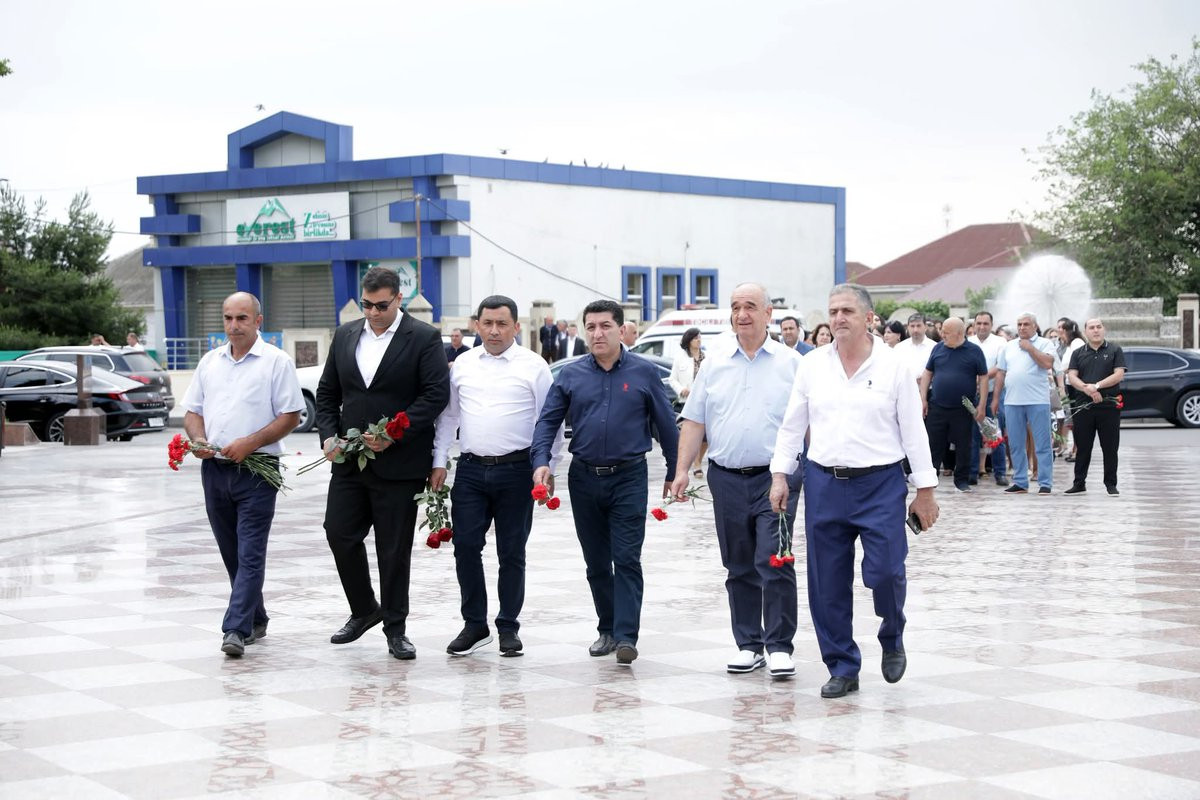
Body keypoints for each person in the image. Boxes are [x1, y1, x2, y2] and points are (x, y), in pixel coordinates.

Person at [768, 283, 938, 699]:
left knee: (886, 570)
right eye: (833, 311)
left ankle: (892, 634)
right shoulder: (813, 365)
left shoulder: (893, 365)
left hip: (880, 484)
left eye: (847, 310)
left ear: (869, 318)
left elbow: (913, 429)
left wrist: (926, 489)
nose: (838, 318)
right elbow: (793, 424)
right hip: (824, 483)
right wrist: (779, 474)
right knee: (827, 581)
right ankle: (842, 666)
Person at [531, 299, 679, 666]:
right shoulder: (570, 375)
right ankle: (607, 629)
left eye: (605, 326)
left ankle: (627, 636)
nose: (598, 333)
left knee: (626, 557)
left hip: (629, 477)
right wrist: (541, 462)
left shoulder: (645, 373)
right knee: (596, 562)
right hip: (584, 478)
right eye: (591, 327)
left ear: (621, 329)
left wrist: (675, 470)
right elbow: (547, 422)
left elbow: (665, 425)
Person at [316, 266, 450, 660]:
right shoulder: (345, 335)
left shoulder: (423, 337)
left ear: (398, 299)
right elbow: (327, 394)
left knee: (393, 550)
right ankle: (364, 609)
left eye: (381, 305)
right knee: (338, 533)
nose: (373, 313)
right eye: (367, 305)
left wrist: (394, 433)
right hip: (349, 461)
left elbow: (434, 395)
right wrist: (328, 436)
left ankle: (396, 628)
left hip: (400, 464)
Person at [671, 284, 803, 679]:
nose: (742, 314)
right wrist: (681, 470)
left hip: (776, 478)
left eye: (750, 306)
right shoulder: (714, 364)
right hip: (726, 478)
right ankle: (749, 644)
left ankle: (779, 646)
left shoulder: (792, 364)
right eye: (735, 307)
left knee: (774, 558)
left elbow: (809, 421)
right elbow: (694, 420)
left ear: (768, 314)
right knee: (739, 563)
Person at [431, 296, 564, 657]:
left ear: (516, 327)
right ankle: (475, 624)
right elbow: (449, 417)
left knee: (512, 551)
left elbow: (550, 421)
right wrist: (439, 459)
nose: (494, 331)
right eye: (487, 323)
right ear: (477, 325)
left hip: (518, 471)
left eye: (502, 324)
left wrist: (548, 466)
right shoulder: (463, 364)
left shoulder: (534, 366)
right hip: (471, 470)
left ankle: (508, 626)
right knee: (465, 546)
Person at [182, 292, 304, 657]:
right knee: (232, 552)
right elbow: (192, 411)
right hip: (215, 470)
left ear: (258, 321)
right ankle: (257, 616)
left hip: (257, 471)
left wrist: (250, 443)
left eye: (242, 318)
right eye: (228, 318)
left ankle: (235, 628)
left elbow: (291, 416)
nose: (234, 326)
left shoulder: (276, 362)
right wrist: (198, 440)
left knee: (250, 551)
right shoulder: (210, 362)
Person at [918, 318, 987, 493]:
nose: (942, 335)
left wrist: (982, 405)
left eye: (946, 332)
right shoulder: (938, 348)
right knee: (933, 444)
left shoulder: (974, 351)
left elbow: (984, 377)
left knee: (964, 445)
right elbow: (927, 373)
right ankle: (930, 479)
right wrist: (923, 398)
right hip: (937, 405)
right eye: (942, 331)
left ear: (959, 333)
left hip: (963, 407)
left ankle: (962, 480)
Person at [992, 312, 1058, 495]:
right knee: (1015, 443)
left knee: (1042, 443)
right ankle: (1020, 481)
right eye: (1019, 324)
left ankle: (1045, 482)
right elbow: (1001, 372)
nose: (1022, 327)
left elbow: (1047, 364)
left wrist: (1030, 348)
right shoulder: (1009, 346)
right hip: (1012, 401)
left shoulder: (1045, 343)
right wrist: (996, 399)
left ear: (1035, 326)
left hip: (1038, 400)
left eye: (1026, 324)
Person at [1065, 318, 1125, 496]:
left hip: (1108, 406)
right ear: (1086, 331)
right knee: (1083, 446)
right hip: (1084, 406)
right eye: (1091, 327)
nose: (1096, 330)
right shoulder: (1078, 353)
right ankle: (1079, 482)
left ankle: (1111, 484)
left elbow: (1119, 375)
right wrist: (1087, 389)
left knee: (1110, 447)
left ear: (1104, 329)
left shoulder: (1115, 350)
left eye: (1099, 327)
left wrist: (1097, 386)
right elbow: (1072, 376)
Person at [967, 311, 1010, 486]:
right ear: (974, 324)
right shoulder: (967, 342)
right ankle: (971, 473)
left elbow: (1000, 367)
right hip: (971, 395)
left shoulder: (1000, 342)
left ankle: (1000, 473)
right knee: (971, 435)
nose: (982, 327)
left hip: (993, 394)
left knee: (994, 434)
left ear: (991, 325)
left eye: (985, 323)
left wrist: (980, 378)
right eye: (979, 323)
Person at [669, 327, 707, 477]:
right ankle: (696, 465)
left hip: (704, 401)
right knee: (692, 434)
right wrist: (681, 389)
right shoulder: (680, 358)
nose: (699, 340)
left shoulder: (707, 357)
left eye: (700, 337)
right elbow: (672, 379)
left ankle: (698, 461)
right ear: (689, 340)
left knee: (706, 436)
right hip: (687, 402)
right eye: (696, 338)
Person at [892, 313, 936, 382]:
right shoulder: (899, 348)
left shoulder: (934, 347)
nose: (915, 330)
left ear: (925, 327)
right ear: (908, 328)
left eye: (918, 326)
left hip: (929, 387)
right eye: (912, 326)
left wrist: (926, 379)